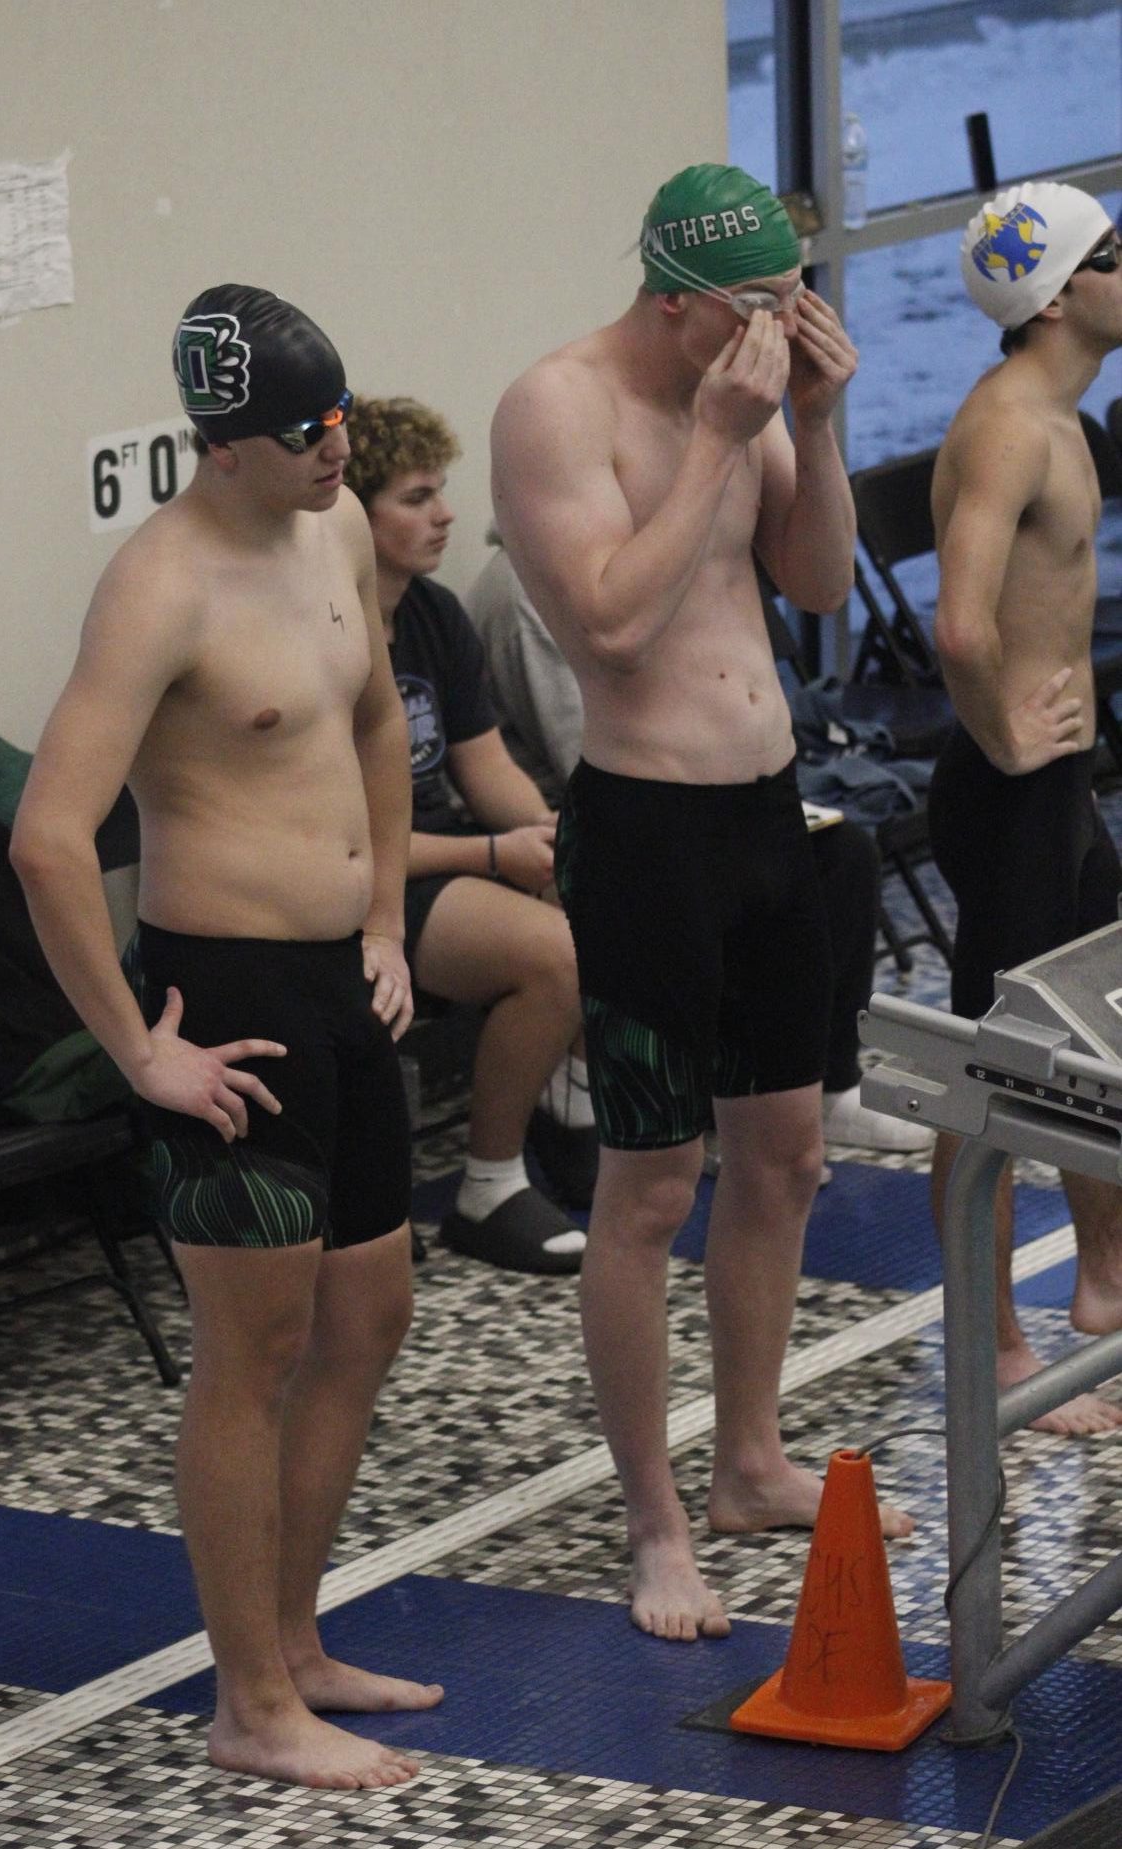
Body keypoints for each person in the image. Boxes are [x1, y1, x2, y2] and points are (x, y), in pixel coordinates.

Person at [11, 286, 441, 1791]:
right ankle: (249, 1704)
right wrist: (138, 1051)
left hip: (339, 983)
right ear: (227, 444)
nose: (341, 449)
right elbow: (49, 841)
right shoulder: (159, 586)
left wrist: (387, 916)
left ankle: (297, 1642)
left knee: (369, 1312)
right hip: (227, 1008)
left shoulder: (330, 534)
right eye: (309, 431)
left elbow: (377, 723)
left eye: (341, 418)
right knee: (250, 1352)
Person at [491, 163, 914, 1643]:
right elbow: (606, 623)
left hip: (764, 815)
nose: (770, 330)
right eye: (747, 310)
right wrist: (721, 439)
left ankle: (747, 1461)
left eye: (791, 304)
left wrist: (807, 419)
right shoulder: (556, 407)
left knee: (785, 1158)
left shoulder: (746, 392)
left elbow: (810, 584)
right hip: (645, 834)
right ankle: (655, 1521)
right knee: (649, 1186)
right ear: (667, 298)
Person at [465, 538, 932, 1160]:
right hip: (600, 810)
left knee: (844, 854)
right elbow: (582, 747)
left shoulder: (657, 550)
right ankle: (699, 1106)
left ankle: (826, 1082)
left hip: (702, 784)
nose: (443, 515)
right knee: (695, 880)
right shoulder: (534, 587)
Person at [929, 181, 1122, 1435]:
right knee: (990, 1082)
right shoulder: (1008, 426)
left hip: (1052, 789)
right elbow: (957, 618)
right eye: (1112, 255)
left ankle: (1102, 1287)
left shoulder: (1060, 415)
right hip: (1009, 799)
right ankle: (989, 1347)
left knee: (1094, 1035)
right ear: (1054, 295)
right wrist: (1004, 735)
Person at [343, 395, 595, 1275]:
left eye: (441, 491)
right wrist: (495, 855)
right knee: (556, 956)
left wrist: (553, 837)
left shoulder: (433, 616)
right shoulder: (322, 632)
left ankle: (583, 1106)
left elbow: (483, 768)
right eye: (416, 497)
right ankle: (489, 1184)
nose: (445, 514)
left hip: (441, 855)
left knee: (608, 881)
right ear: (353, 512)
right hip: (362, 886)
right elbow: (344, 842)